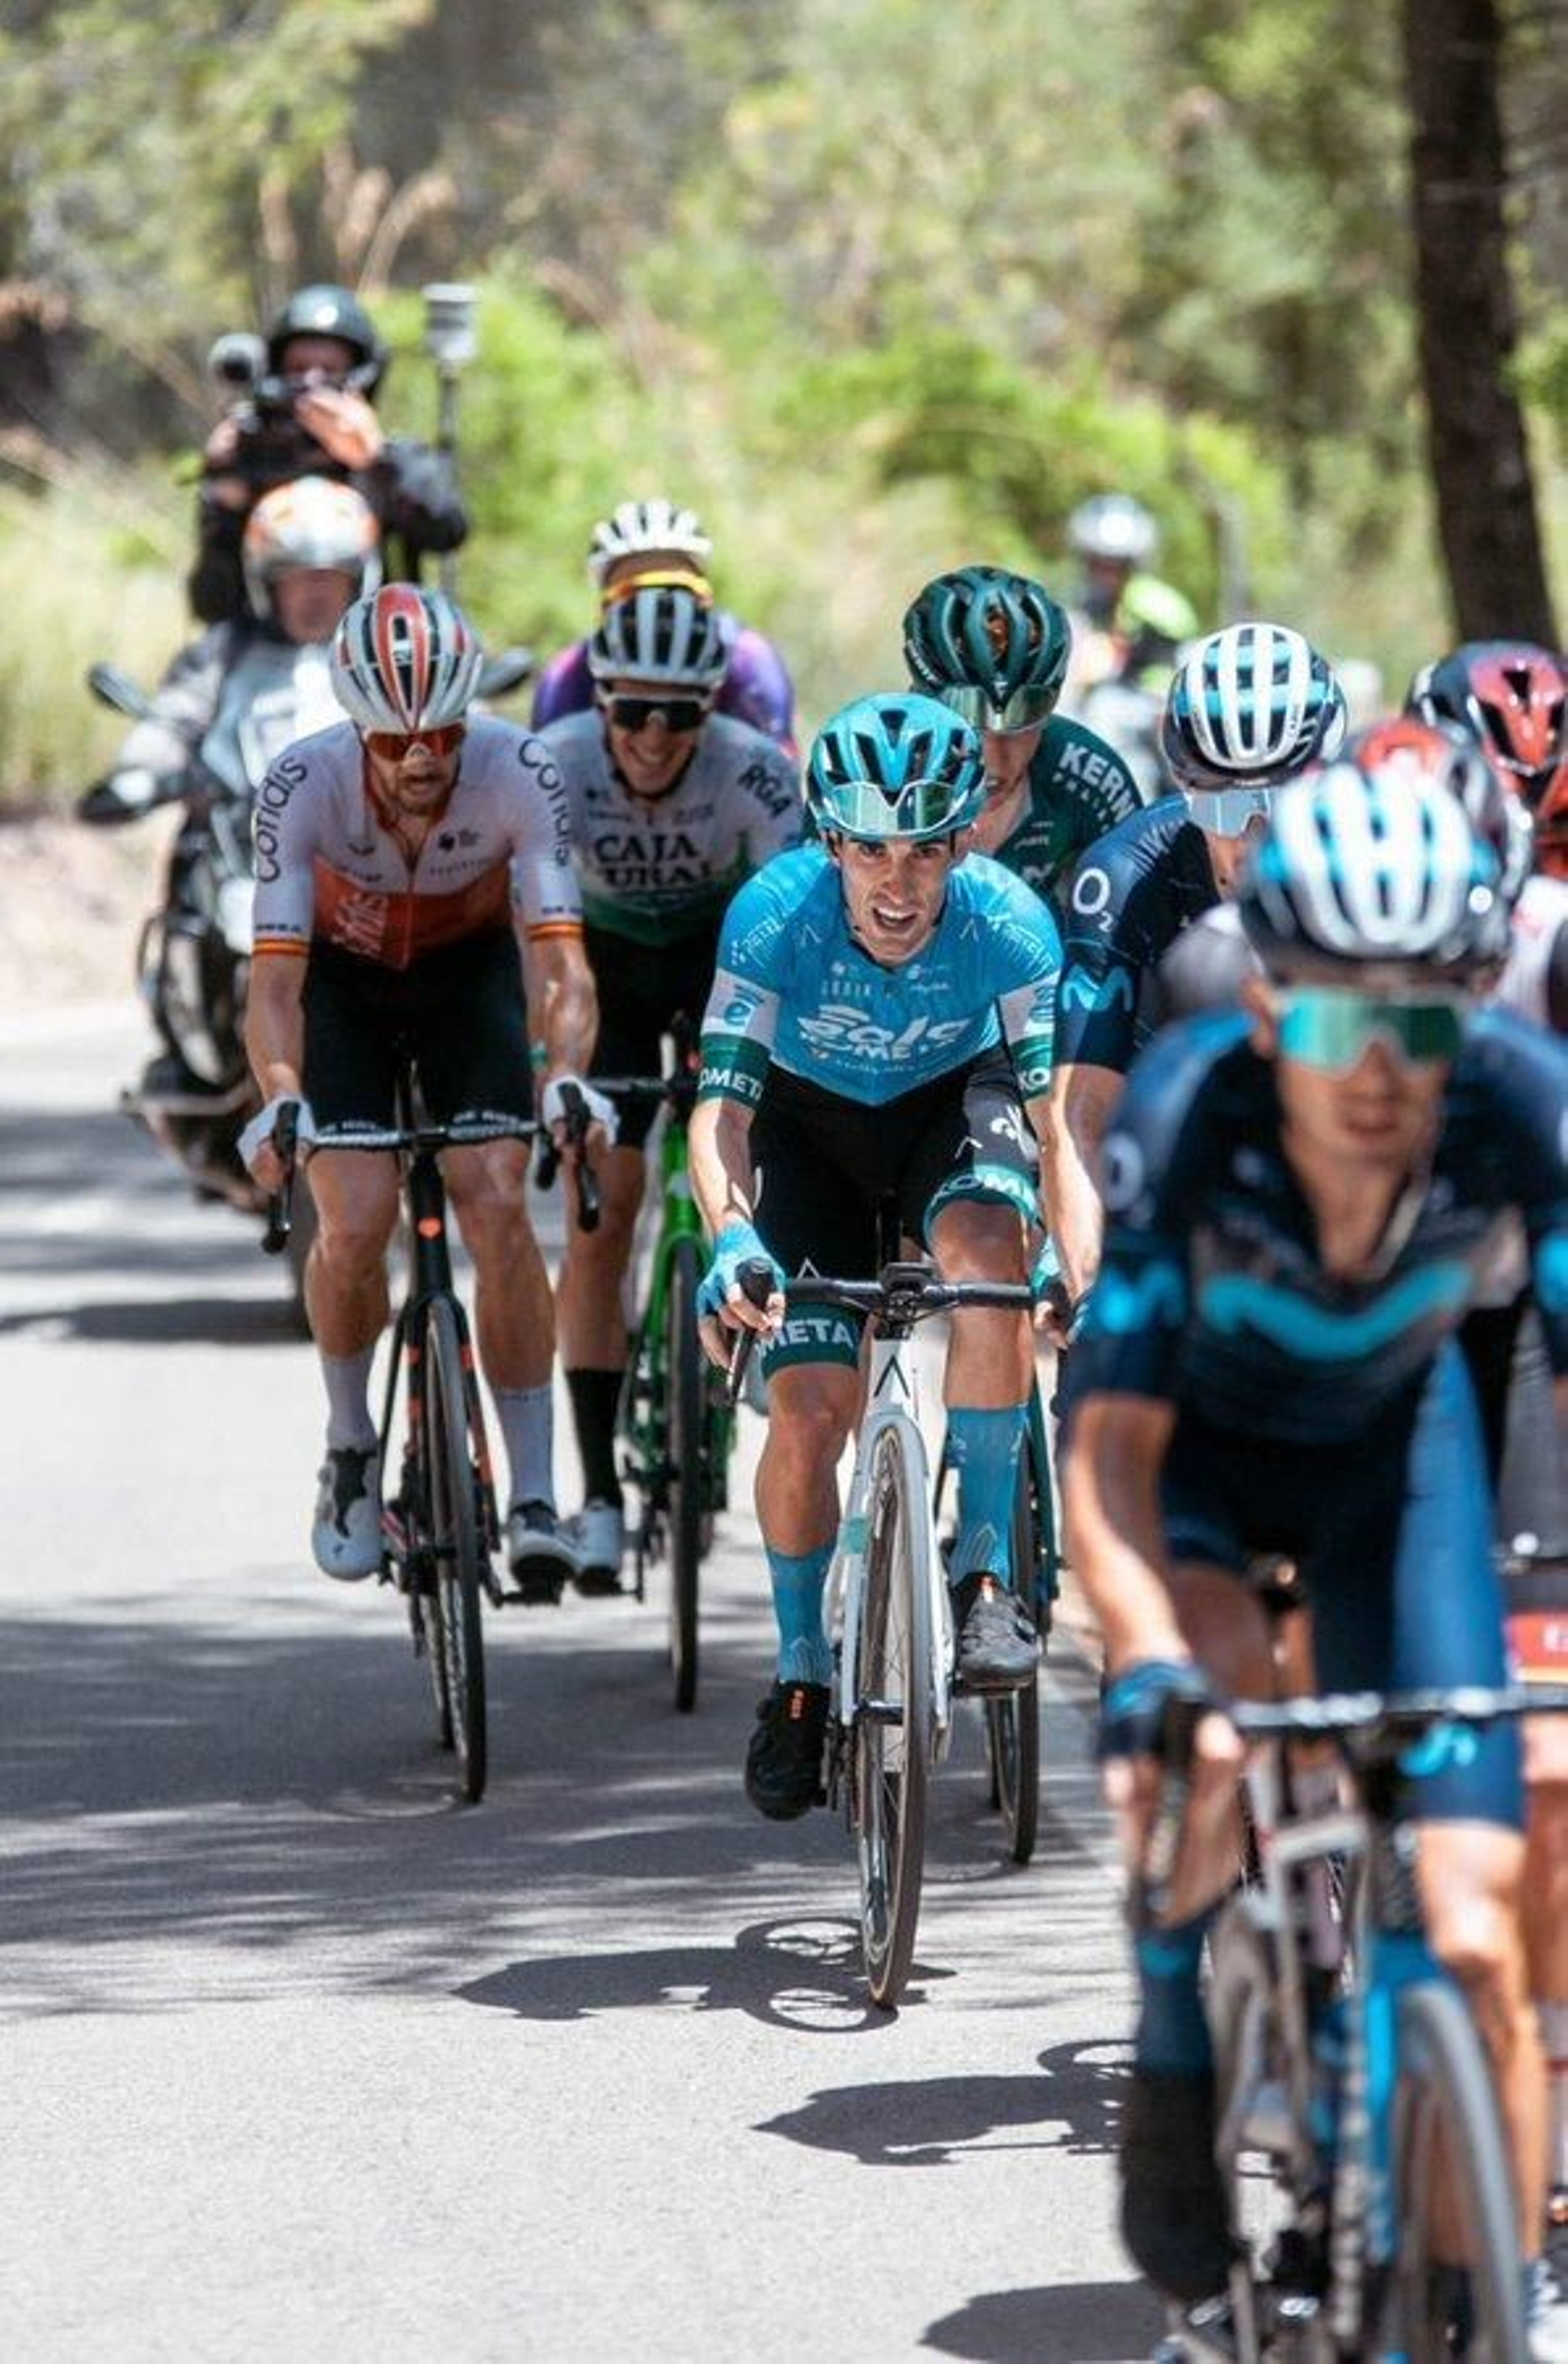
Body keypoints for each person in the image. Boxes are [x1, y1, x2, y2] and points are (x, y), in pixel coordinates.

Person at [1058, 742, 1568, 2349]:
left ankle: (1477, 2283)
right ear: (1269, 1004)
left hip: (1396, 1473)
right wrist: (1149, 1661)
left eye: (1424, 1020)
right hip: (1201, 1474)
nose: (1384, 1074)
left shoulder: (1515, 1101)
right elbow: (1109, 1458)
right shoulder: (1188, 1117)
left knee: (1478, 1931)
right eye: (1344, 1022)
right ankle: (1175, 2036)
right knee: (1202, 1747)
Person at [688, 692, 1062, 1820]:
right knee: (809, 1413)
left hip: (952, 1105)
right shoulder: (772, 917)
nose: (897, 886)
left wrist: (1065, 1246)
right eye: (867, 852)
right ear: (829, 843)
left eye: (923, 852)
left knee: (990, 1266)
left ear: (962, 844)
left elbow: (1055, 1118)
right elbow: (721, 1115)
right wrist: (733, 1237)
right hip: (808, 1133)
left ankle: (984, 1575)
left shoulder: (1009, 924)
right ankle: (802, 1673)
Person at [239, 583, 600, 1600]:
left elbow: (561, 963)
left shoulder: (520, 769)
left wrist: (565, 1078)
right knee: (353, 1220)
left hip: (466, 978)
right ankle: (351, 1442)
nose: (421, 759)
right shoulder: (300, 781)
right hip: (343, 989)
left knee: (497, 1199)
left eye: (441, 733)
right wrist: (280, 1095)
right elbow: (275, 983)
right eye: (395, 741)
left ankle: (535, 1494)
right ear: (357, 728)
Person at [539, 584, 803, 1590]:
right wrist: (556, 1072)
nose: (654, 736)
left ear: (713, 708)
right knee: (603, 1213)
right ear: (600, 702)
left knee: (742, 1157)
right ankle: (601, 1495)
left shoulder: (755, 771)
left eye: (680, 713)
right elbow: (540, 946)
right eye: (634, 711)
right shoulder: (554, 766)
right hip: (599, 968)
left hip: (714, 961)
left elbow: (794, 925)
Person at [1043, 620, 1347, 1327]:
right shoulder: (1124, 877)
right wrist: (1094, 1290)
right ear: (1182, 787)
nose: (1250, 838)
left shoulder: (1373, 872)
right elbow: (1080, 1114)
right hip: (1171, 1137)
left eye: (1277, 803)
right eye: (1221, 805)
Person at [189, 283, 466, 626]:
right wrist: (225, 503)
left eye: (329, 368)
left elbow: (448, 530)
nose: (312, 382)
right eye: (299, 367)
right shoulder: (249, 455)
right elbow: (210, 606)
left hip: (375, 648)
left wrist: (375, 461)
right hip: (267, 653)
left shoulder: (393, 462)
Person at [900, 565, 1146, 912]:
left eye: (1023, 720)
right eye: (970, 724)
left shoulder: (1089, 774)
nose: (993, 760)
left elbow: (1141, 918)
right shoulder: (867, 765)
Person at [531, 498, 797, 754]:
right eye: (634, 597)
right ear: (604, 608)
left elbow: (781, 769)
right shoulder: (565, 676)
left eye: (678, 592)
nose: (658, 610)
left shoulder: (750, 660)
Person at [1061, 494, 1199, 697]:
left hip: (1150, 699)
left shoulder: (1158, 604)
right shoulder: (1082, 604)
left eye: (1116, 566)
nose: (1106, 576)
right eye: (1098, 563)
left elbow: (1183, 658)